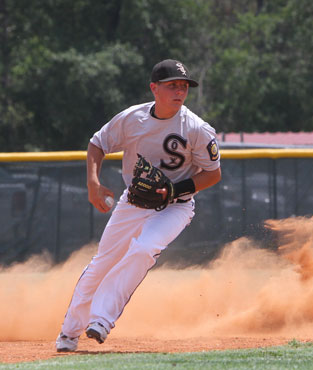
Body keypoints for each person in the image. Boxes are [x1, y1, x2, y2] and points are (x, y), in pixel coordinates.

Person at [56, 59, 222, 352]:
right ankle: (69, 332)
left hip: (177, 205)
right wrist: (93, 183)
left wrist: (174, 190)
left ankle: (102, 319)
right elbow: (97, 144)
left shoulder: (196, 128)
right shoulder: (133, 119)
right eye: (172, 85)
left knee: (145, 248)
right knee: (101, 263)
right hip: (134, 201)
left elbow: (213, 173)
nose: (179, 91)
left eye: (183, 86)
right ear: (154, 89)